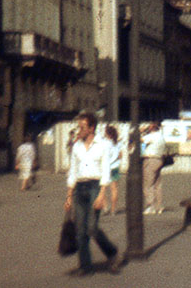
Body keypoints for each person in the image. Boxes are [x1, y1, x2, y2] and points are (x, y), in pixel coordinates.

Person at [65, 112, 119, 275]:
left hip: (95, 187)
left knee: (92, 228)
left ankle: (112, 252)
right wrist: (69, 196)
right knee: (80, 230)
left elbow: (106, 170)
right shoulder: (77, 146)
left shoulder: (103, 145)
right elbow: (73, 171)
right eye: (79, 127)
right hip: (79, 187)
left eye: (82, 127)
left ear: (91, 128)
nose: (79, 130)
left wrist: (102, 195)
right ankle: (85, 266)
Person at [141, 121, 165, 214]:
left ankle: (150, 206)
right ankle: (159, 206)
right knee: (157, 184)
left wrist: (142, 131)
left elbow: (140, 139)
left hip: (150, 159)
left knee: (148, 184)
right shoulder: (161, 136)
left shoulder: (152, 136)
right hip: (159, 159)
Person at [104, 125, 122, 214]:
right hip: (115, 167)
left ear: (108, 134)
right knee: (114, 189)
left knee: (103, 188)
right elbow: (120, 155)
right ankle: (113, 209)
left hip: (106, 167)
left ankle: (105, 207)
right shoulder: (118, 143)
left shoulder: (105, 143)